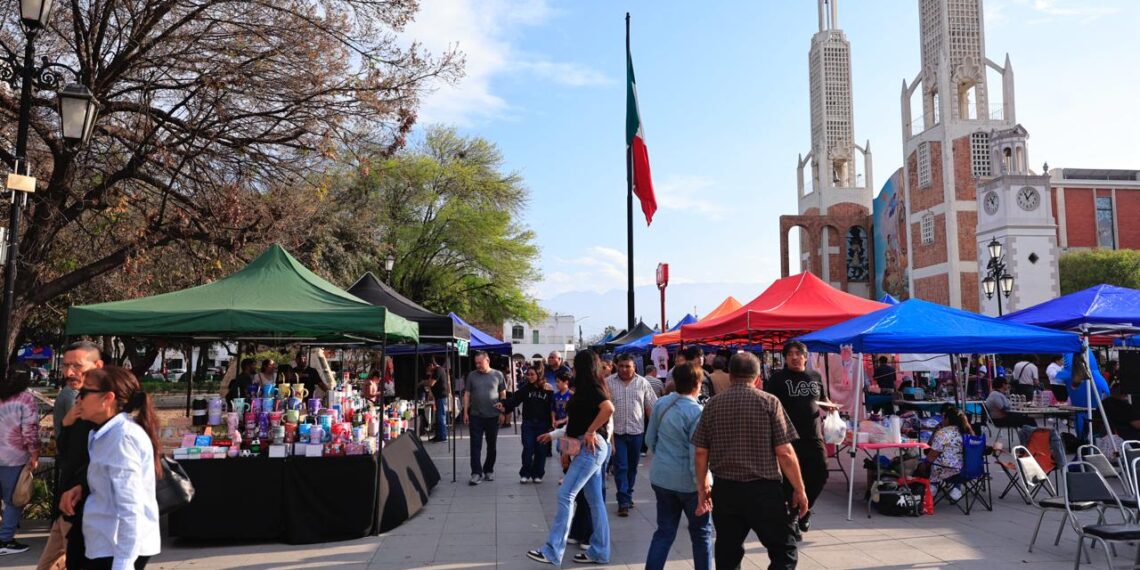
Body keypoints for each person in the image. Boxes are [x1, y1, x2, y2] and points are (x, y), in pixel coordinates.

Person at [692, 352, 807, 570]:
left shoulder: (713, 405)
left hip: (725, 489)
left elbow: (700, 452)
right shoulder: (769, 402)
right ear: (757, 378)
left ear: (730, 375)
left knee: (728, 551)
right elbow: (784, 451)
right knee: (784, 550)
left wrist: (702, 487)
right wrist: (799, 489)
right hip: (763, 490)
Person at [60, 366, 160, 569]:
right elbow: (109, 478)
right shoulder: (102, 433)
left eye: (85, 392)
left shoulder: (122, 438)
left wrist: (123, 563)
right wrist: (84, 487)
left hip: (115, 546)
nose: (79, 399)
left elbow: (131, 507)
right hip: (102, 540)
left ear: (107, 398)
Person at [528, 350, 613, 566]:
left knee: (566, 494)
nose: (572, 367)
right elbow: (574, 425)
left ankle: (552, 550)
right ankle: (600, 551)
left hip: (591, 448)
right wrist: (562, 444)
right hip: (586, 447)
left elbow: (608, 409)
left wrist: (591, 431)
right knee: (595, 501)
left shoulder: (592, 387)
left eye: (575, 364)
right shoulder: (585, 388)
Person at [38, 342, 103, 569]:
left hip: (81, 505)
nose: (69, 372)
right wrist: (66, 423)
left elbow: (103, 461)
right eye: (66, 366)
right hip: (66, 502)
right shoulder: (74, 399)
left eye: (77, 365)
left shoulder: (104, 410)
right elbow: (68, 451)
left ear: (97, 366)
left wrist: (81, 487)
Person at [644, 362, 711, 570]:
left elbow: (649, 439)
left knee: (664, 532)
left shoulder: (661, 404)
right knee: (701, 535)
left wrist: (665, 455)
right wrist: (703, 487)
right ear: (697, 384)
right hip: (689, 484)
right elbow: (697, 454)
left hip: (662, 477)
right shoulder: (697, 412)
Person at [763, 340, 828, 536]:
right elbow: (768, 406)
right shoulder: (777, 379)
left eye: (798, 353)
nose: (794, 357)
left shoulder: (815, 376)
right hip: (787, 438)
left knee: (820, 473)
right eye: (790, 353)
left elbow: (822, 400)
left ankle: (805, 511)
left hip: (814, 435)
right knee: (789, 482)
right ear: (785, 358)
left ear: (806, 357)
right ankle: (792, 519)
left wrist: (831, 407)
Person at [606, 353, 658, 517]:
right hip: (616, 433)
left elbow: (651, 407)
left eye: (628, 366)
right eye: (621, 366)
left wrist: (657, 429)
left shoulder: (643, 383)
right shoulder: (608, 383)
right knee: (621, 466)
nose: (624, 369)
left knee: (632, 467)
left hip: (637, 432)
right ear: (616, 366)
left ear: (634, 367)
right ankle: (623, 501)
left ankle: (628, 493)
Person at [0, 366, 40, 556]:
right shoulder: (25, 399)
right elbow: (29, 430)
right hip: (13, 457)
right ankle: (5, 540)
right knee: (14, 501)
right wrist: (34, 454)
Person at [497, 366, 554, 483]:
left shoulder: (547, 389)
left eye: (532, 374)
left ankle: (538, 474)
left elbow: (553, 406)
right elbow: (514, 400)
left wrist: (552, 423)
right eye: (528, 374)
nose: (530, 376)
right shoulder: (525, 389)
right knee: (528, 448)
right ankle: (525, 473)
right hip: (528, 423)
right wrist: (503, 404)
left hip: (543, 424)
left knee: (541, 450)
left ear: (538, 375)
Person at [463, 352, 507, 485]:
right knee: (475, 445)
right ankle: (476, 472)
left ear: (487, 361)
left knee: (491, 445)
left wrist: (502, 412)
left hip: (493, 416)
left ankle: (489, 470)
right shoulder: (472, 375)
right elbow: (467, 394)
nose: (477, 365)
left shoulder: (498, 375)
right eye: (476, 363)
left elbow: (503, 394)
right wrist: (465, 412)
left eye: (480, 363)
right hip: (476, 415)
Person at [922, 405, 974, 485]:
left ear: (947, 419)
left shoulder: (943, 433)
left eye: (943, 418)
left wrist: (922, 466)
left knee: (926, 464)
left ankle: (932, 486)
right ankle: (956, 489)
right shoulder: (967, 431)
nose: (941, 420)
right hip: (968, 469)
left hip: (948, 471)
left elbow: (932, 456)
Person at [427, 358, 450, 443]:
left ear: (432, 365)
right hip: (438, 397)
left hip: (441, 396)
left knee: (441, 416)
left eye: (429, 368)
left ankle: (442, 437)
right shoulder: (436, 370)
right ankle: (438, 435)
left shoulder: (438, 370)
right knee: (438, 417)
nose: (428, 370)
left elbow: (431, 383)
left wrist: (426, 381)